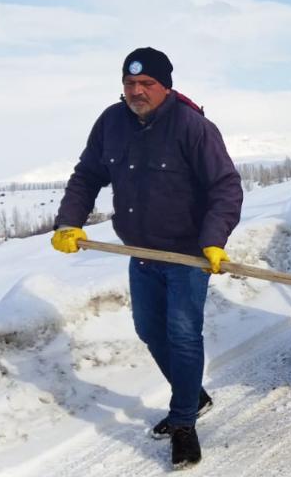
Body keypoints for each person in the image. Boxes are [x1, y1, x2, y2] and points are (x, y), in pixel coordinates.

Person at [51, 47, 243, 470]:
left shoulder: (193, 127)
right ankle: (192, 395)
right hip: (141, 253)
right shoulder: (111, 123)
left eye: (146, 84)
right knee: (149, 330)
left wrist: (214, 239)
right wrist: (69, 221)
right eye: (129, 83)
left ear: (165, 86)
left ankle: (184, 423)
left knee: (182, 334)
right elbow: (86, 176)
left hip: (187, 254)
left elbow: (226, 186)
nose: (136, 91)